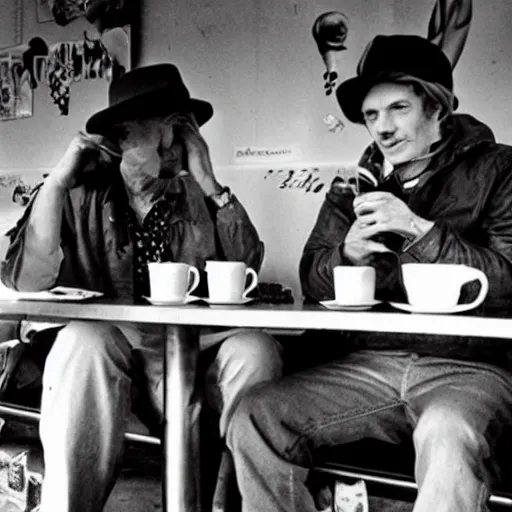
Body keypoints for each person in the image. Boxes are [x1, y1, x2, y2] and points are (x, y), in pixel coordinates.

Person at [228, 34, 512, 512]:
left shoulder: (500, 168)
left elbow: (507, 283)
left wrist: (420, 230)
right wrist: (347, 255)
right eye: (371, 115)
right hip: (369, 365)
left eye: (398, 108)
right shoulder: (354, 186)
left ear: (437, 108)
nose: (382, 128)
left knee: (446, 432)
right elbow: (312, 279)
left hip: (472, 367)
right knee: (254, 416)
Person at [0, 63, 282, 512]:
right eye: (167, 133)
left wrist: (211, 181)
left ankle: (225, 504)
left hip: (188, 351)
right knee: (83, 339)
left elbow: (243, 274)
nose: (177, 148)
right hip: (111, 349)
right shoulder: (79, 193)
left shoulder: (198, 194)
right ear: (122, 139)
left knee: (255, 349)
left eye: (184, 132)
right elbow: (26, 279)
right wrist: (55, 183)